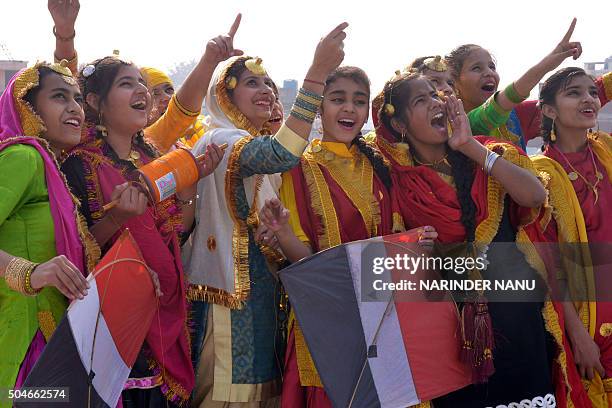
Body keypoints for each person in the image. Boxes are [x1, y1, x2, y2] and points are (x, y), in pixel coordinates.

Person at [60, 19, 240, 403]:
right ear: (93, 102)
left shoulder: (153, 158)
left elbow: (177, 232)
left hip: (166, 311)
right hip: (116, 318)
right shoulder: (78, 163)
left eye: (142, 83)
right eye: (127, 83)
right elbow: (76, 250)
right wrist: (117, 219)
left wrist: (191, 187)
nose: (142, 91)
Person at [185, 23, 348, 407]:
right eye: (252, 83)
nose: (266, 91)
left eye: (269, 83)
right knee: (229, 397)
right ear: (225, 97)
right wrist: (317, 75)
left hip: (260, 291)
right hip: (229, 298)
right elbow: (282, 154)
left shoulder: (248, 143)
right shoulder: (222, 139)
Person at [374, 70, 559, 407]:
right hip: (448, 338)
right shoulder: (394, 181)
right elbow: (390, 261)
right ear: (400, 124)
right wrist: (415, 247)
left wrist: (470, 147)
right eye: (421, 99)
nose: (435, 102)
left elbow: (534, 196)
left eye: (435, 94)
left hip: (517, 324)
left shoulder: (486, 152)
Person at [258, 66, 437, 407]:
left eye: (359, 101)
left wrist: (419, 242)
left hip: (385, 316)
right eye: (338, 99)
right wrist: (282, 232)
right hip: (328, 318)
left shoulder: (381, 164)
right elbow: (305, 259)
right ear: (319, 107)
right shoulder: (299, 166)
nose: (349, 109)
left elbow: (397, 243)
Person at [0, 62, 97, 397]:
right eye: (59, 97)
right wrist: (30, 273)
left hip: (53, 336)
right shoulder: (23, 158)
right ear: (28, 107)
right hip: (23, 341)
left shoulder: (53, 169)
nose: (74, 108)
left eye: (78, 99)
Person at [532, 67, 612, 407]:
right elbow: (549, 267)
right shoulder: (540, 173)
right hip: (589, 312)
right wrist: (578, 337)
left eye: (591, 93)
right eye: (573, 93)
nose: (588, 99)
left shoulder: (607, 151)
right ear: (549, 110)